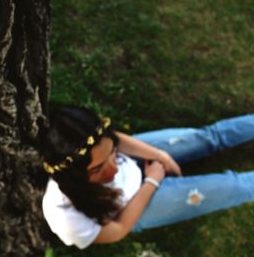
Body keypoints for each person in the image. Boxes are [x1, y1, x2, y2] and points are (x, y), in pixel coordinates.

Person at [41, 105, 254, 249]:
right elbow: (118, 230)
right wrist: (152, 181)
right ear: (73, 175)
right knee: (233, 186)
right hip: (135, 206)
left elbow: (112, 139)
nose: (115, 170)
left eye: (112, 153)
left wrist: (159, 154)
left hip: (140, 163)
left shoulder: (95, 144)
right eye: (97, 169)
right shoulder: (65, 217)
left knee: (208, 137)